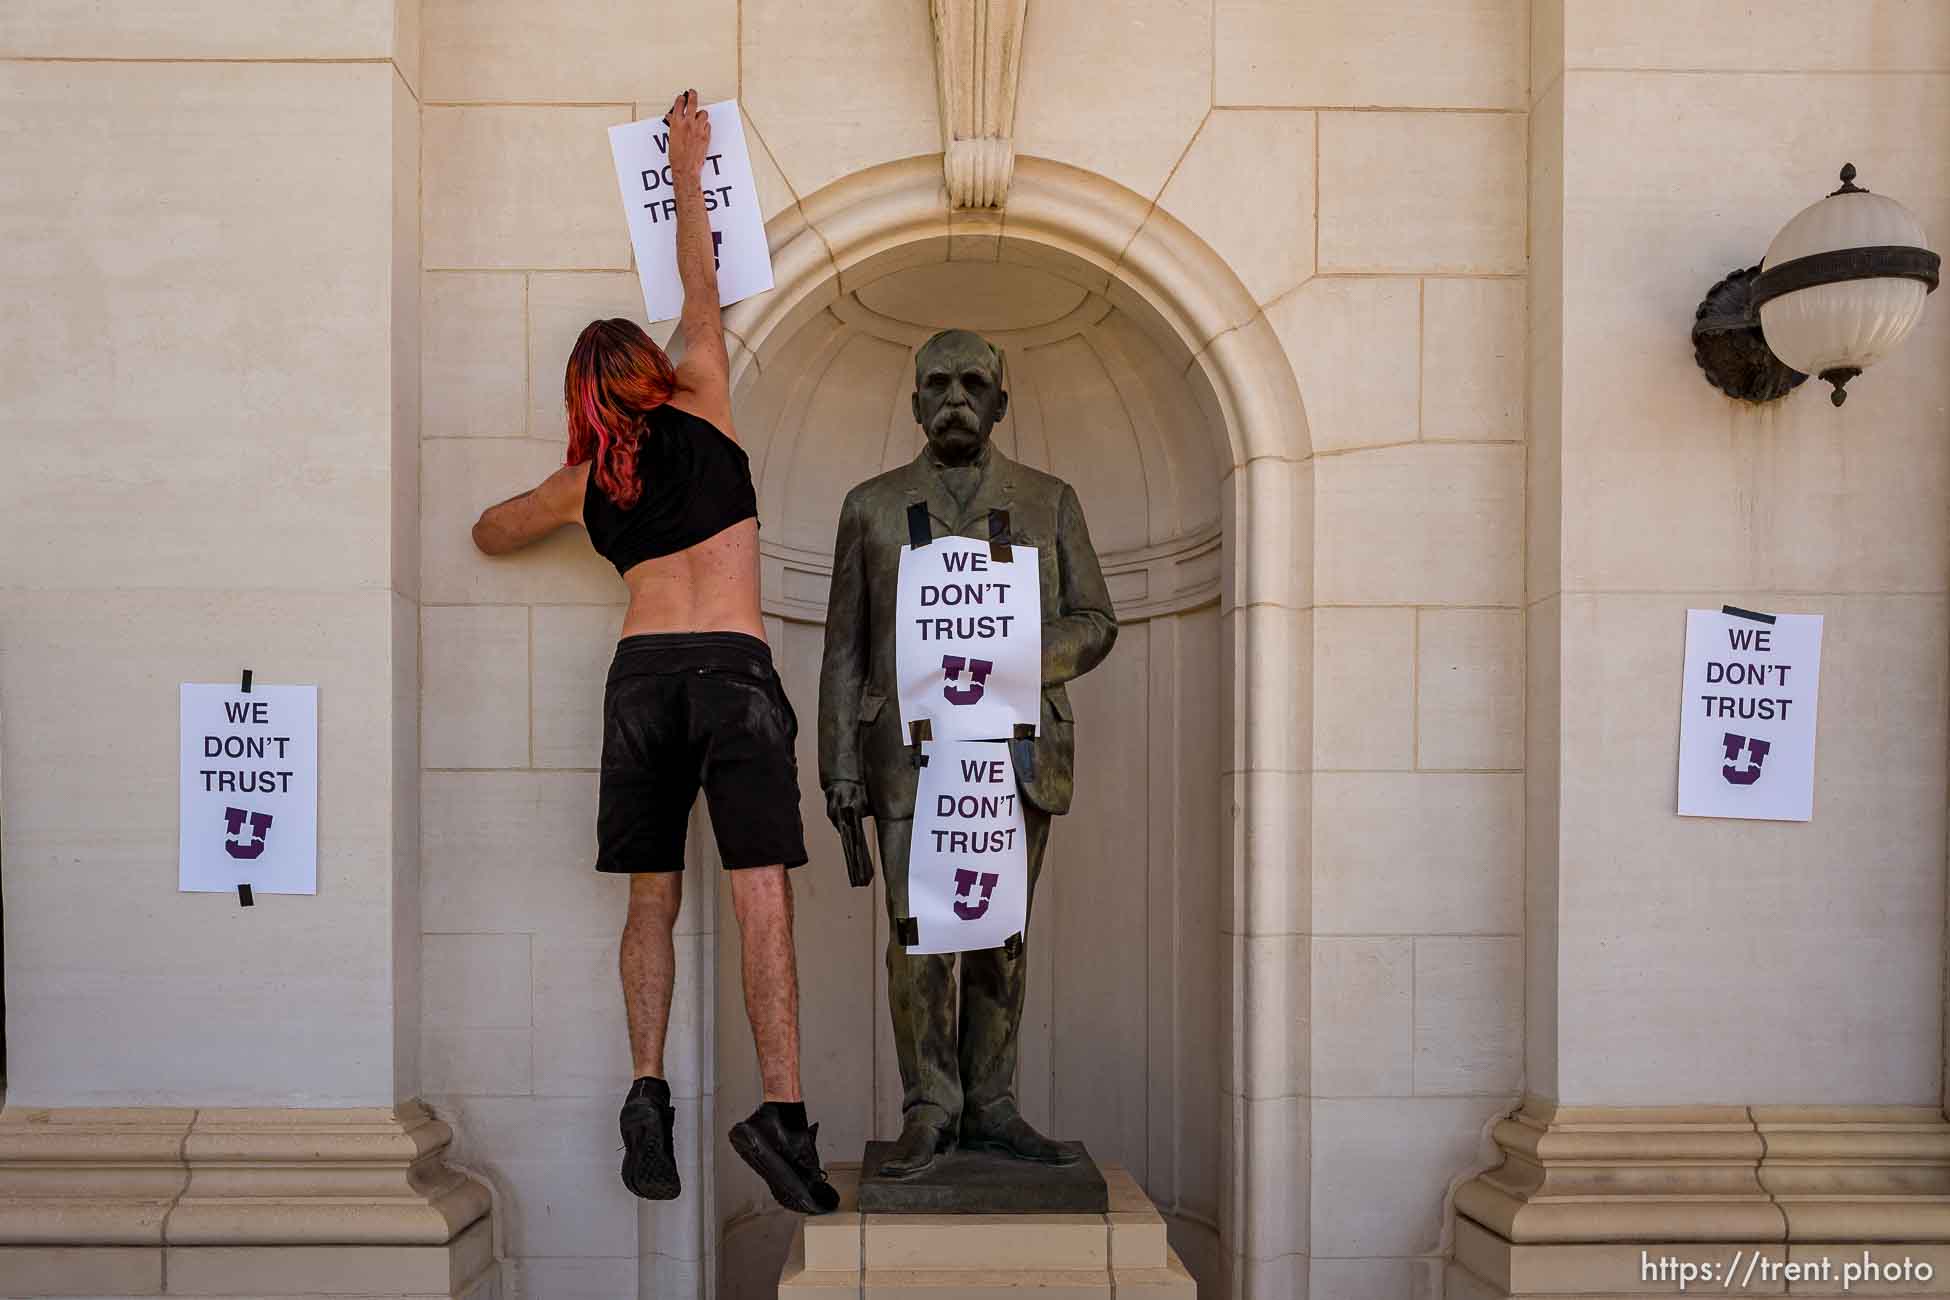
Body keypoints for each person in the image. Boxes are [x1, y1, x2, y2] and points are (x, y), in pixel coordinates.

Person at [468, 89, 836, 1216]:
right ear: (652, 369)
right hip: (731, 674)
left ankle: (646, 1095)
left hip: (639, 684)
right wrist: (689, 157)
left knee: (649, 901)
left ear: (583, 402)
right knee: (761, 895)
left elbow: (489, 530)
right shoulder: (709, 394)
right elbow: (697, 277)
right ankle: (779, 1115)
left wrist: (566, 484)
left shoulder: (580, 490)